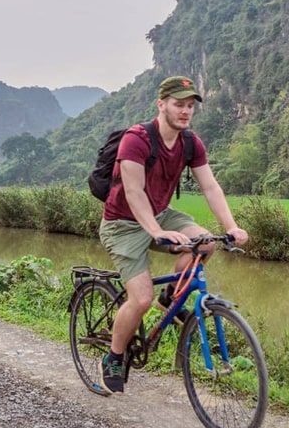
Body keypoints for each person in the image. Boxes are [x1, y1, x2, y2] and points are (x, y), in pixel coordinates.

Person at [97, 75, 248, 394]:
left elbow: (210, 186)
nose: (185, 111)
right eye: (179, 104)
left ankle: (171, 298)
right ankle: (113, 355)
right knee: (140, 299)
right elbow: (134, 192)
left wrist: (231, 227)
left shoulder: (190, 143)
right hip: (123, 223)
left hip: (162, 215)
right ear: (161, 104)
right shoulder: (136, 139)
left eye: (190, 106)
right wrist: (156, 231)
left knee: (207, 242)